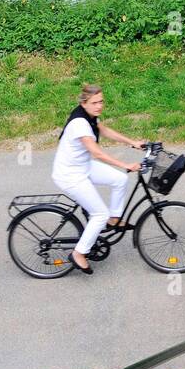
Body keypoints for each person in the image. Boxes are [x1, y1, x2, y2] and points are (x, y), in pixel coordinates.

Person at [52, 83, 144, 275]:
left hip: (83, 166)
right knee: (99, 214)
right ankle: (79, 253)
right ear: (84, 103)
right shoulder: (80, 124)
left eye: (101, 101)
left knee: (119, 180)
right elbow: (97, 153)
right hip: (71, 175)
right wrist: (125, 165)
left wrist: (132, 143)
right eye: (95, 102)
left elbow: (104, 130)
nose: (99, 106)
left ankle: (115, 219)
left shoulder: (90, 116)